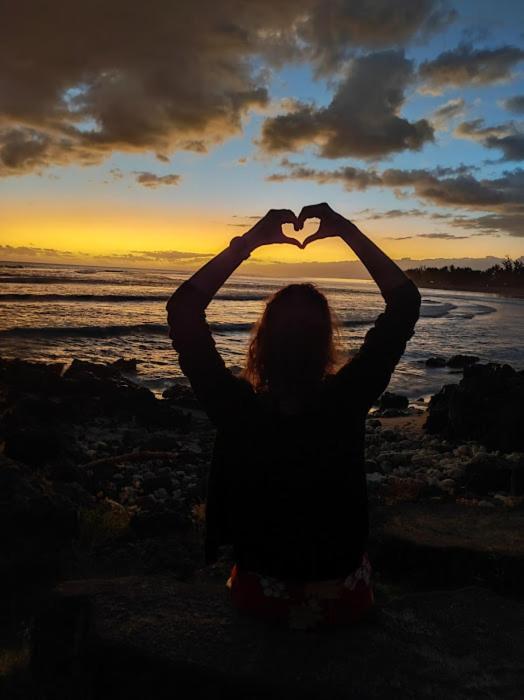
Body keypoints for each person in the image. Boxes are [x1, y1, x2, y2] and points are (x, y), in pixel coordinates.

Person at [166, 203, 421, 630]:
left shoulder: (236, 409)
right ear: (326, 344)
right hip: (344, 597)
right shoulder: (347, 399)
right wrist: (347, 231)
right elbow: (405, 303)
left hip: (262, 596)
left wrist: (248, 243)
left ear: (260, 343)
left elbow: (183, 312)